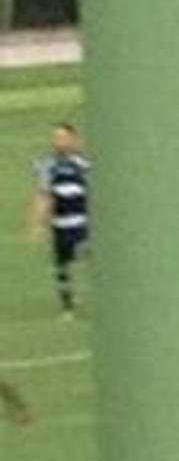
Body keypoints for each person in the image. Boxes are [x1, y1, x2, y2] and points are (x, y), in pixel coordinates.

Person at [26, 123, 90, 316]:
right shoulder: (46, 166)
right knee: (62, 266)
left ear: (73, 139)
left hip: (84, 223)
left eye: (63, 137)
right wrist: (37, 224)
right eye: (55, 137)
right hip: (61, 225)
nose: (58, 142)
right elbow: (43, 195)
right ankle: (67, 306)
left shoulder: (84, 163)